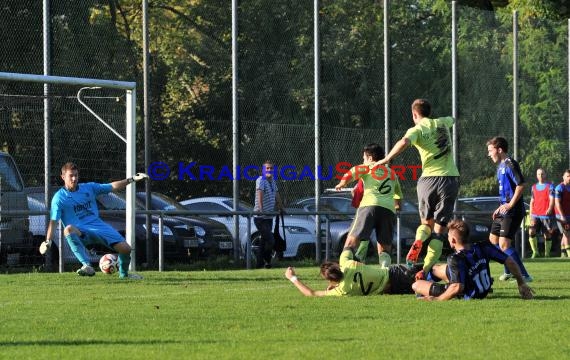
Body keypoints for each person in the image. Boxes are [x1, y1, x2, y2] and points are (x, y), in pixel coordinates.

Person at [374, 99, 459, 277]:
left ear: (414, 115)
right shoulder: (442, 122)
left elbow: (404, 142)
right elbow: (453, 119)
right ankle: (426, 269)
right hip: (450, 179)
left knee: (426, 224)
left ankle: (418, 240)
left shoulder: (417, 129)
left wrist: (386, 159)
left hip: (428, 180)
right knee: (439, 229)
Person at [38, 162, 148, 278]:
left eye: (76, 175)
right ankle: (87, 266)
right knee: (68, 229)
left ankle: (124, 275)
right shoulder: (59, 198)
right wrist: (48, 240)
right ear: (63, 177)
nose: (74, 178)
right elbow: (54, 221)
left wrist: (132, 179)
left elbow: (112, 186)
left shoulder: (89, 188)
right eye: (71, 176)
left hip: (98, 227)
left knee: (126, 249)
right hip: (81, 232)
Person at [412, 219, 534, 300]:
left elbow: (457, 287)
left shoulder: (455, 258)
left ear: (453, 240)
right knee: (436, 269)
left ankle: (429, 288)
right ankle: (428, 278)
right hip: (483, 289)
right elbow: (509, 261)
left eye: (448, 236)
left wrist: (438, 299)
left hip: (468, 293)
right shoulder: (483, 246)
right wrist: (521, 283)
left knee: (416, 285)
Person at [335, 143, 403, 268]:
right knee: (384, 249)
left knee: (350, 242)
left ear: (370, 158)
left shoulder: (369, 167)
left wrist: (342, 183)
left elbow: (352, 172)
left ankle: (343, 271)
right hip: (388, 210)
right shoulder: (392, 173)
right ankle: (385, 277)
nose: (363, 161)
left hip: (369, 207)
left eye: (364, 158)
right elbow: (398, 194)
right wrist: (398, 206)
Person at [486, 136, 532, 281]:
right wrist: (500, 208)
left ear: (499, 150)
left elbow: (521, 185)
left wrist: (510, 204)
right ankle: (508, 270)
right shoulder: (500, 167)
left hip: (513, 210)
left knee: (504, 244)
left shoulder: (510, 164)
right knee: (493, 240)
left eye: (490, 150)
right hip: (504, 209)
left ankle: (524, 274)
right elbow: (506, 191)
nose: (489, 154)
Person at [284, 247, 418, 296]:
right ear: (336, 266)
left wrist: (293, 278)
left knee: (427, 287)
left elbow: (311, 293)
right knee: (432, 270)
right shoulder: (349, 264)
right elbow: (349, 246)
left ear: (331, 280)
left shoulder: (342, 291)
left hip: (394, 289)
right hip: (396, 273)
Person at [253, 160, 283, 269]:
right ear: (263, 170)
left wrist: (281, 208)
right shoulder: (261, 180)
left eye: (271, 168)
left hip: (269, 217)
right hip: (260, 217)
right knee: (271, 240)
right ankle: (266, 259)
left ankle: (259, 264)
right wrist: (261, 209)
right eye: (267, 168)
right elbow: (259, 193)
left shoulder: (273, 181)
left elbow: (277, 195)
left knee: (263, 241)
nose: (269, 170)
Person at [529, 168, 556, 258]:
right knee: (531, 231)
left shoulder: (550, 186)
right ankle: (535, 252)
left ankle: (547, 254)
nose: (540, 176)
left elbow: (552, 199)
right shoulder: (533, 187)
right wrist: (531, 214)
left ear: (545, 175)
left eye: (542, 174)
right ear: (536, 176)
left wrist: (550, 208)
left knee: (547, 234)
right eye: (539, 174)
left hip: (546, 215)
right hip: (535, 214)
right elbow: (532, 201)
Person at [554, 169, 570, 258]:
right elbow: (557, 203)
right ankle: (569, 253)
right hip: (561, 216)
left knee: (566, 234)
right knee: (566, 233)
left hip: (568, 215)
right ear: (563, 177)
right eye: (567, 176)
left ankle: (563, 253)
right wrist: (562, 216)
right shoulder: (559, 188)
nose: (569, 178)